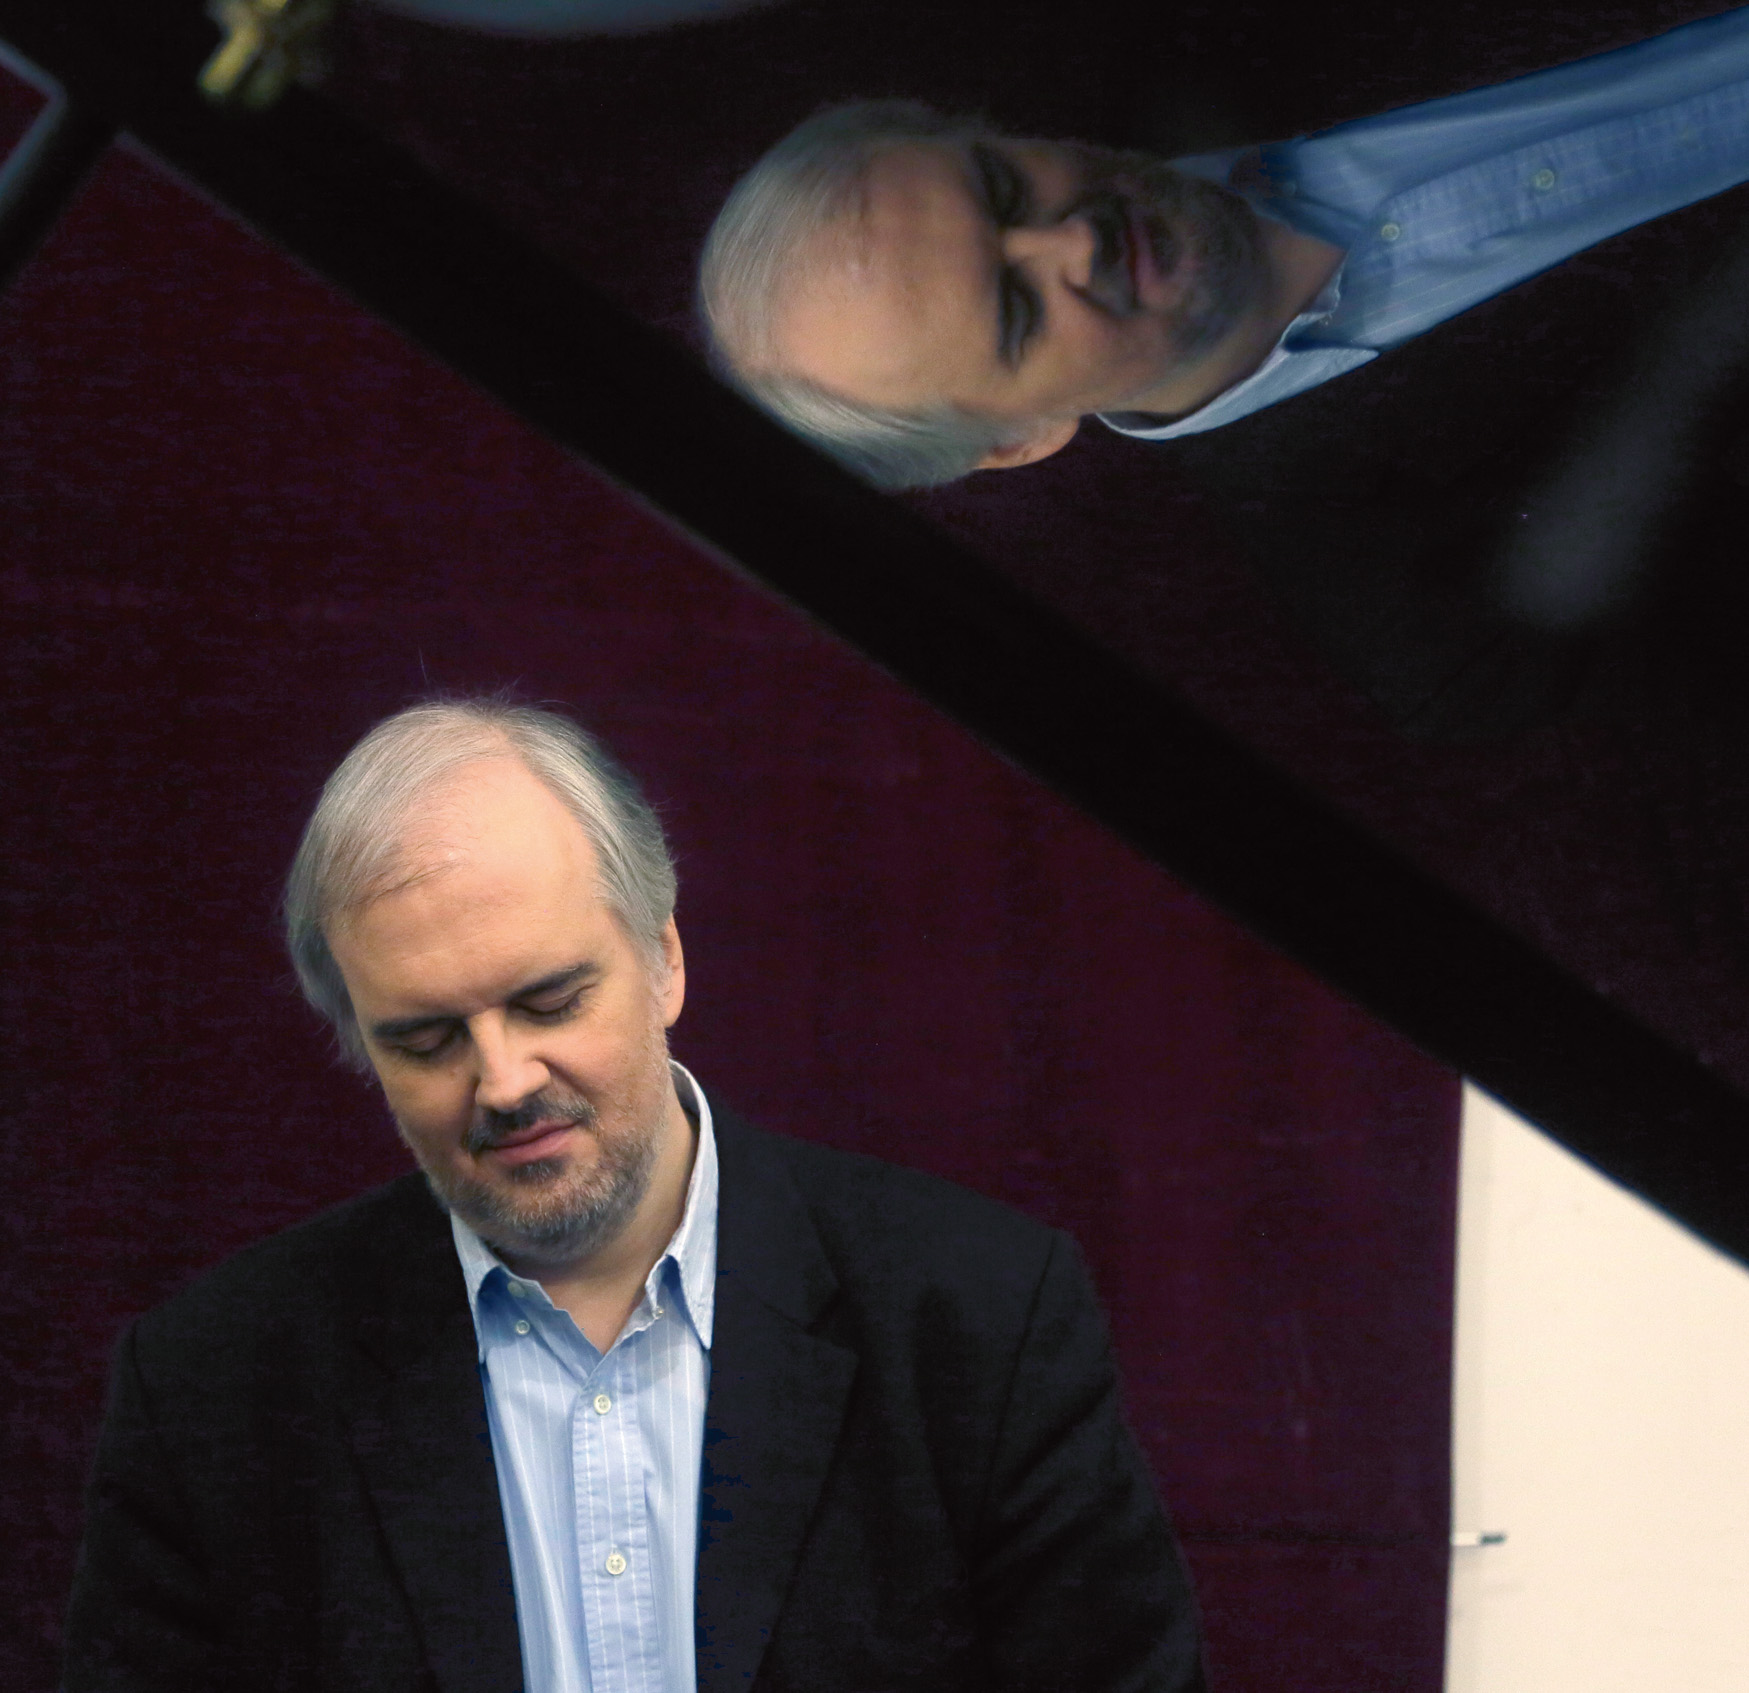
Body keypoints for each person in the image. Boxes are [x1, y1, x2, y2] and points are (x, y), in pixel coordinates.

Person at [62, 696, 1205, 1693]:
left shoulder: (978, 1319)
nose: (504, 1081)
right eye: (426, 1039)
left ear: (665, 960)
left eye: (550, 1000)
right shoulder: (214, 1390)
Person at [698, 9, 1749, 741]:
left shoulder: (1206, 37)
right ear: (1019, 439)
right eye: (1016, 312)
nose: (1074, 241)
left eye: (1004, 190)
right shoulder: (1392, 594)